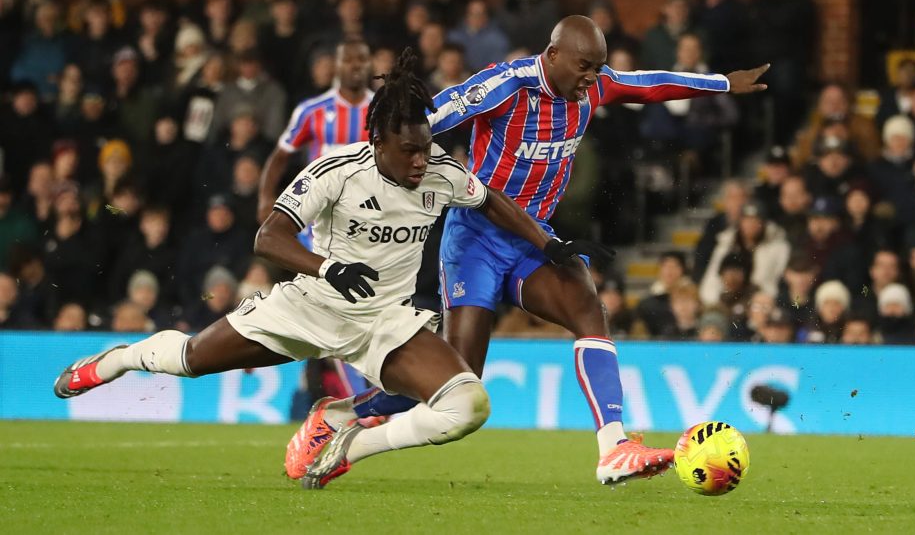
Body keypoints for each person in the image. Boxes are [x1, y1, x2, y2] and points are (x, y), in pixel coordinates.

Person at [54, 49, 605, 489]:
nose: (421, 161)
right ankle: (119, 359)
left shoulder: (439, 170)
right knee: (191, 359)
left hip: (385, 321)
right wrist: (327, 268)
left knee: (467, 405)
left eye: (426, 147)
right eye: (409, 151)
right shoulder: (336, 171)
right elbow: (267, 237)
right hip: (310, 306)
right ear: (376, 141)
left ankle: (348, 440)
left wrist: (547, 243)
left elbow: (489, 200)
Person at [299, 15, 768, 484]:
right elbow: (424, 121)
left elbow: (648, 84)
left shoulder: (593, 88)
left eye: (598, 68)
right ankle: (341, 414)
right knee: (456, 382)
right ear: (554, 54)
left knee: (588, 309)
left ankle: (614, 447)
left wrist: (722, 83)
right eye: (584, 66)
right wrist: (365, 175)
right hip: (474, 240)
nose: (592, 78)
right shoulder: (506, 86)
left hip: (533, 236)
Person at [257, 39, 372, 222]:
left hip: (367, 212)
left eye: (361, 59)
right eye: (348, 60)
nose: (355, 65)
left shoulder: (385, 110)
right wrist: (265, 198)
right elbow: (280, 156)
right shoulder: (311, 111)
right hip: (318, 212)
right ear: (336, 65)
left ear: (370, 64)